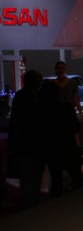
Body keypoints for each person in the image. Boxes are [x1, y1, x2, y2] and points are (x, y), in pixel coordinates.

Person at [8, 70, 46, 208]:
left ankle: (29, 202)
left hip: (25, 145)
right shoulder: (34, 97)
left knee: (28, 175)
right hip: (31, 144)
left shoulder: (20, 96)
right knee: (33, 175)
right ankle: (31, 202)